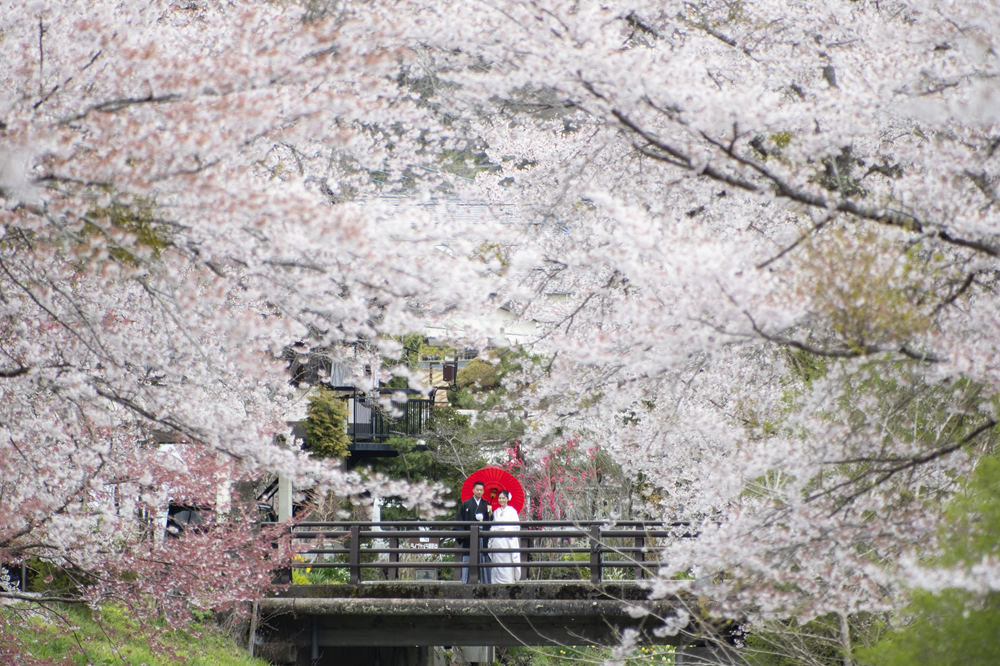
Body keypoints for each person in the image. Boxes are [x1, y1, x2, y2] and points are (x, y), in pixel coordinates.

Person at [455, 480, 492, 583]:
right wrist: (462, 535)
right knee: (468, 559)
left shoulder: (486, 504)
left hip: (482, 536)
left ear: (483, 491)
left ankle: (486, 584)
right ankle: (466, 583)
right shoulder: (466, 504)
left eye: (481, 490)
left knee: (484, 559)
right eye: (477, 490)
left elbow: (490, 522)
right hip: (469, 537)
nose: (479, 492)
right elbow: (459, 519)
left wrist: (489, 514)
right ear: (473, 490)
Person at [489, 490, 521, 584]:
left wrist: (503, 529)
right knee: (497, 565)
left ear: (507, 499)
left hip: (507, 541)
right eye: (499, 498)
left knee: (507, 565)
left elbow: (516, 526)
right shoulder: (496, 512)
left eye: (503, 498)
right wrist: (490, 515)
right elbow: (493, 525)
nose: (501, 500)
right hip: (497, 541)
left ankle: (508, 582)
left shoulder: (512, 511)